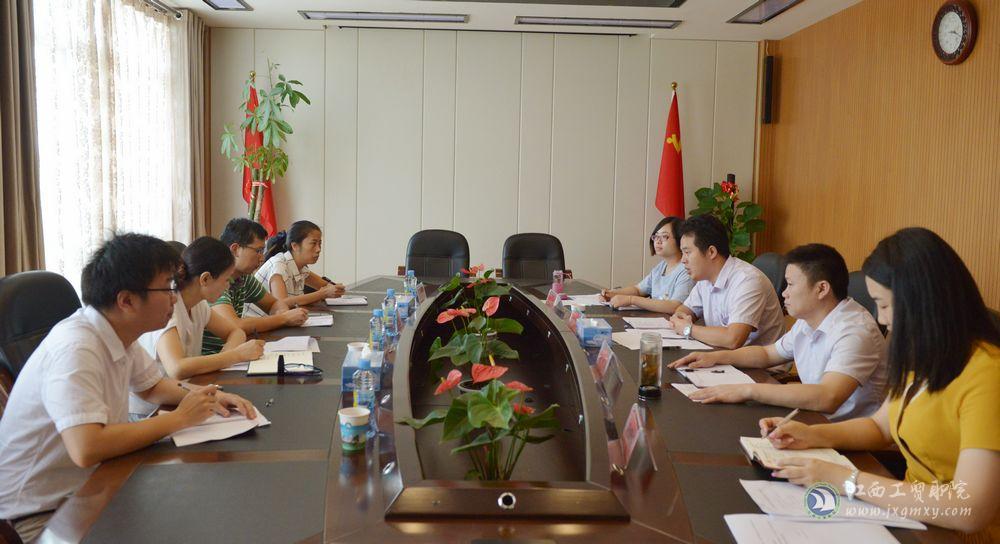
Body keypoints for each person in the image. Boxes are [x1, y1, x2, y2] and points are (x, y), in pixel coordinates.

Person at [0, 234, 256, 543]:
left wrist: (211, 396)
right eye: (167, 287)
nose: (174, 297)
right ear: (126, 300)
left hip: (89, 485)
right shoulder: (76, 347)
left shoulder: (119, 332)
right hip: (39, 514)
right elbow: (87, 447)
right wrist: (179, 419)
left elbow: (153, 387)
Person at [758, 228, 999, 541]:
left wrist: (847, 480)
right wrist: (811, 435)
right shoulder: (925, 355)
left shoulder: (987, 374)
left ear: (923, 301)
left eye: (884, 306)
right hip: (909, 515)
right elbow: (880, 427)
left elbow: (969, 508)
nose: (882, 320)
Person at [669, 244, 887, 420]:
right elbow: (767, 354)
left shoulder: (855, 331)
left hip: (848, 441)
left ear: (821, 289)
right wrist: (716, 357)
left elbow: (828, 397)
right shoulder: (809, 319)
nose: (784, 293)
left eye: (790, 284)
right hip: (811, 420)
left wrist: (747, 390)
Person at [140, 237, 265, 379]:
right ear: (205, 279)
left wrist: (224, 358)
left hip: (189, 387)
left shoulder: (198, 304)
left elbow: (236, 332)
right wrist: (235, 355)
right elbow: (177, 368)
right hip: (166, 392)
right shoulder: (168, 306)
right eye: (226, 280)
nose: (228, 286)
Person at [668, 214, 784, 349]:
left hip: (758, 361)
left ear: (711, 252)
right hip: (723, 354)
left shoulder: (747, 280)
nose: (683, 260)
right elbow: (685, 310)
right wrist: (681, 317)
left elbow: (733, 339)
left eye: (687, 252)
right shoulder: (705, 278)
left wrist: (688, 329)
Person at [201, 218, 309, 355]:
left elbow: (274, 304)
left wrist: (281, 313)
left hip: (232, 352)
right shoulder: (215, 280)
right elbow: (234, 325)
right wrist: (284, 318)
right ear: (235, 249)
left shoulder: (244, 277)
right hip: (212, 358)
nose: (262, 258)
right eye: (258, 251)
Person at [600, 216, 693, 313]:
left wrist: (631, 300)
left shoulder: (687, 270)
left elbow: (674, 306)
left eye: (664, 236)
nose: (658, 241)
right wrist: (612, 294)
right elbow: (638, 290)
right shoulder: (661, 266)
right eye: (656, 236)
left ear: (680, 239)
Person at [255, 220, 345, 307]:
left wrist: (336, 288)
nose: (318, 249)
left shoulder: (301, 268)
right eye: (313, 243)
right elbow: (280, 304)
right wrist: (323, 294)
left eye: (319, 244)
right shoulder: (279, 265)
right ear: (295, 246)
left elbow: (326, 286)